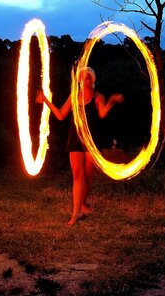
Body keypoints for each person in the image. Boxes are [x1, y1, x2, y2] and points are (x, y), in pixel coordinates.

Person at [36, 67, 124, 226]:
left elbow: (103, 113)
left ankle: (82, 204)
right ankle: (75, 213)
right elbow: (61, 115)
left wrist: (112, 100)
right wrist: (46, 101)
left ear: (93, 80)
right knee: (78, 175)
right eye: (82, 78)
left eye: (88, 77)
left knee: (88, 176)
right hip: (75, 138)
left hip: (91, 140)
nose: (85, 80)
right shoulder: (75, 96)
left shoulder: (98, 96)